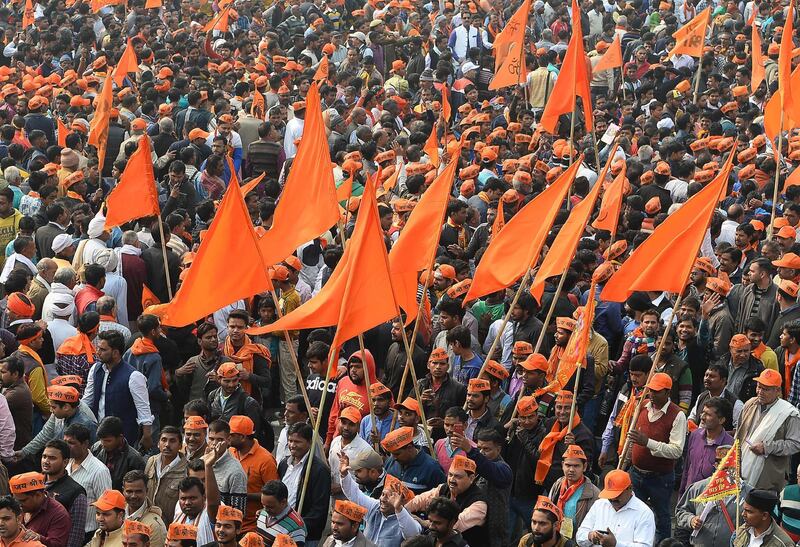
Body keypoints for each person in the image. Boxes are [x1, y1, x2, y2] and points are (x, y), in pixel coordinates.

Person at [626, 372, 687, 542]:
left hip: (660, 478)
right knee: (632, 514)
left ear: (668, 392)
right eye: (650, 390)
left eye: (657, 391)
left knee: (662, 518)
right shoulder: (642, 406)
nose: (652, 394)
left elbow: (676, 451)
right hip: (636, 473)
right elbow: (631, 439)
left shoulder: (677, 415)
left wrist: (648, 442)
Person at [81, 330, 153, 450]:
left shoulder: (134, 376)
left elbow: (143, 410)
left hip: (124, 437)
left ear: (115, 353)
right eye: (98, 348)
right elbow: (87, 400)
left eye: (103, 350)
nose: (98, 352)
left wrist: (146, 435)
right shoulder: (95, 369)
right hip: (98, 435)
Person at [735, 369, 800, 491]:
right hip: (741, 469)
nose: (760, 392)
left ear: (778, 391)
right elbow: (739, 435)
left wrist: (767, 448)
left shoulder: (789, 413)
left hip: (768, 477)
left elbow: (795, 444)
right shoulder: (750, 404)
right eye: (759, 387)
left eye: (766, 389)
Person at [337, 451, 419, 547]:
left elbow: (413, 534)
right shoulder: (375, 507)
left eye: (389, 497)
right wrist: (344, 475)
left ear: (399, 501)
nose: (383, 499)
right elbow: (355, 494)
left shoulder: (405, 518)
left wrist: (399, 509)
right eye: (383, 494)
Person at [676, 444, 746, 547]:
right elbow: (681, 511)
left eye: (728, 463)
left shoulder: (748, 493)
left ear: (737, 465)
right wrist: (691, 520)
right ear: (715, 465)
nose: (724, 467)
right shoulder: (698, 488)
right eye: (719, 462)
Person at [277, 423, 330, 546]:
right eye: (290, 440)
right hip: (281, 531)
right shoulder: (284, 464)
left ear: (310, 442)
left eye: (298, 442)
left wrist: (296, 526)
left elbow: (319, 509)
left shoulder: (319, 470)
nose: (292, 445)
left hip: (306, 535)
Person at [576, 470, 655, 547]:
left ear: (630, 488)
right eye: (610, 496)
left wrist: (616, 544)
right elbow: (580, 536)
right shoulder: (599, 504)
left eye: (617, 495)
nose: (613, 499)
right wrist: (590, 536)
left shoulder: (644, 513)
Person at [228, 415, 278, 532]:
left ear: (242, 437)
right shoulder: (229, 452)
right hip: (229, 522)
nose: (227, 438)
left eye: (231, 435)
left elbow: (274, 495)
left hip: (253, 526)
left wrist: (242, 495)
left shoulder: (266, 460)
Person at [64, 423, 112, 543]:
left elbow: (107, 506)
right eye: (65, 442)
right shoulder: (65, 465)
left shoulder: (99, 471)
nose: (66, 446)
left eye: (71, 443)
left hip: (88, 536)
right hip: (65, 533)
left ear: (85, 444)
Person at [546, 445, 599, 541]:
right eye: (568, 465)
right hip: (556, 538)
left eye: (576, 466)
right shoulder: (558, 484)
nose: (571, 470)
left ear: (584, 467)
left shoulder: (594, 493)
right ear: (562, 465)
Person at [41, 440, 88, 547]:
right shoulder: (34, 483)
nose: (46, 461)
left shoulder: (76, 492)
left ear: (65, 462)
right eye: (44, 457)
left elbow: (76, 534)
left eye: (52, 458)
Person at [8, 472, 71, 547]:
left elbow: (58, 545)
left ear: (38, 495)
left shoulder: (58, 514)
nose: (18, 505)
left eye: (23, 501)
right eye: (16, 500)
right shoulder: (17, 508)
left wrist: (38, 538)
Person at [382, 427, 446, 495]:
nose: (394, 458)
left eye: (397, 454)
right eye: (391, 454)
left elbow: (441, 498)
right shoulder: (391, 461)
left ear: (409, 448)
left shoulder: (432, 468)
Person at [143, 427, 188, 525]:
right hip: (147, 523)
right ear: (158, 444)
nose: (167, 445)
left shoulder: (186, 469)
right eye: (164, 440)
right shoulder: (151, 461)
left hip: (170, 526)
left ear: (180, 445)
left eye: (172, 441)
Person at [327, 406, 372, 499]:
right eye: (343, 423)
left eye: (351, 424)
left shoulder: (365, 450)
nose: (346, 428)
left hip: (352, 501)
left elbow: (367, 481)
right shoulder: (335, 441)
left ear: (358, 426)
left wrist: (341, 487)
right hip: (332, 499)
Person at [92, 417, 147, 491]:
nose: (103, 444)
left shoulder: (134, 459)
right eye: (101, 440)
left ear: (120, 437)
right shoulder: (96, 449)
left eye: (108, 441)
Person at [122, 470, 167, 547]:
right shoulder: (117, 513)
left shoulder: (155, 526)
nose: (133, 496)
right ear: (123, 491)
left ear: (146, 491)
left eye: (138, 491)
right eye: (129, 491)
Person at [255, 481, 306, 547]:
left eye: (270, 507)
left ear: (283, 502)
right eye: (263, 505)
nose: (266, 509)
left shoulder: (296, 528)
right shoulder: (263, 511)